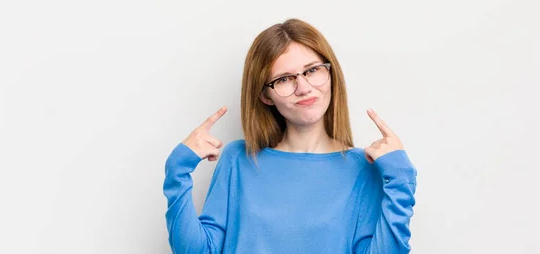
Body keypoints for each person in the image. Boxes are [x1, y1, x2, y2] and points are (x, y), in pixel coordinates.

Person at [163, 18, 417, 254]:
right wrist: (177, 172)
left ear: (331, 73)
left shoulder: (363, 168)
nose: (304, 88)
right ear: (265, 95)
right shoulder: (238, 159)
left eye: (312, 70)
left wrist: (401, 178)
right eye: (284, 79)